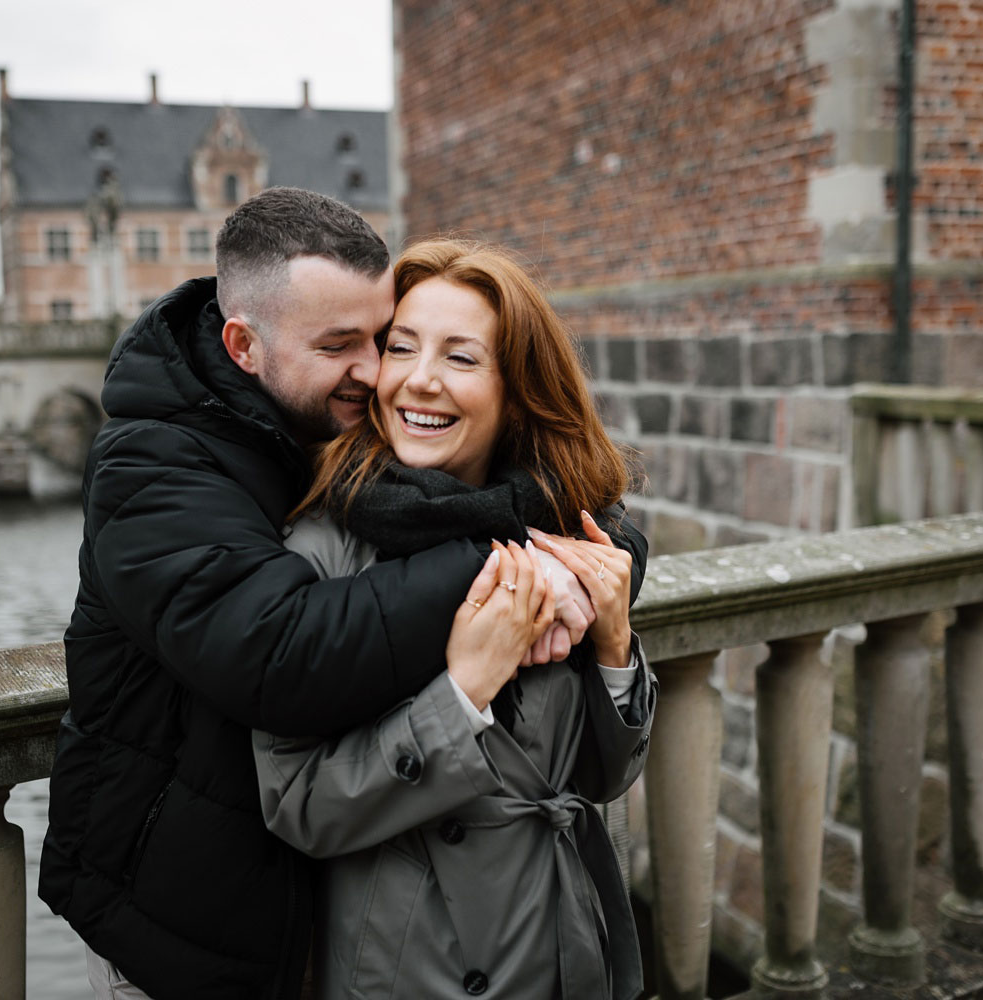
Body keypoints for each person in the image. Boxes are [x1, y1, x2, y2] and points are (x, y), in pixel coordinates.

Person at [38, 189, 595, 1000]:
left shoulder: (316, 422)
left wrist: (590, 561)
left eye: (382, 339)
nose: (375, 375)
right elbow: (283, 651)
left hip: (318, 901)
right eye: (342, 345)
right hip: (180, 928)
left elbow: (554, 486)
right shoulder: (152, 467)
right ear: (243, 345)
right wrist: (512, 565)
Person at [255, 238, 656, 1000]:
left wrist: (614, 645)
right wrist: (464, 692)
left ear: (519, 388)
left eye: (461, 358)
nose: (419, 381)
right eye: (400, 348)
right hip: (420, 964)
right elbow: (297, 804)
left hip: (566, 944)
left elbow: (605, 779)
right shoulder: (322, 549)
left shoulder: (567, 533)